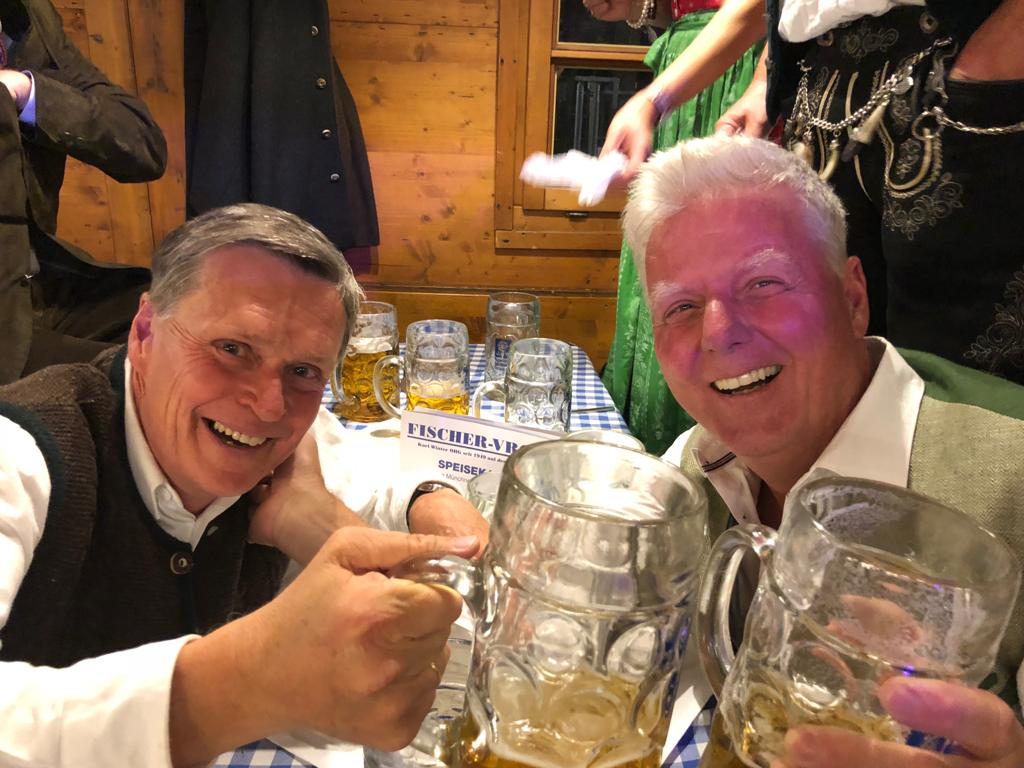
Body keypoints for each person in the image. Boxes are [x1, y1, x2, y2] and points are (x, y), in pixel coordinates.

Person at [0, 203, 487, 767]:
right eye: (232, 350)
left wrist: (430, 498)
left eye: (303, 372)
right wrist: (240, 686)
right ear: (145, 331)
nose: (269, 404)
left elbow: (377, 476)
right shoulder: (23, 452)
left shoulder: (290, 442)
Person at [624, 135, 1024, 764]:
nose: (719, 333)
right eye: (682, 306)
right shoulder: (695, 466)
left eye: (763, 282)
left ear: (852, 297)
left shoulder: (1014, 473)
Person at [719, 0, 1024, 386]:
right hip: (819, 85)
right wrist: (765, 78)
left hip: (956, 61)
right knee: (836, 370)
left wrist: (1002, 45)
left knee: (969, 373)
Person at [586, 0, 764, 454]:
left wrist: (764, 79)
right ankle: (655, 455)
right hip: (686, 66)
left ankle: (714, 458)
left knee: (718, 259)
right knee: (665, 261)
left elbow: (765, 8)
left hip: (743, 66)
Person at [0, 0, 169, 385]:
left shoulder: (27, 20)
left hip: (37, 283)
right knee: (148, 376)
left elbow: (142, 143)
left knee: (191, 313)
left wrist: (28, 91)